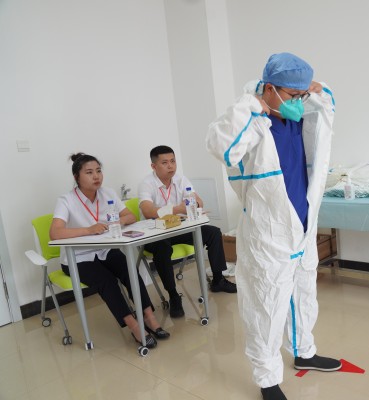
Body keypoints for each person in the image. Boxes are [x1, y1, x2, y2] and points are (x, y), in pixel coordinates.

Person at [207, 52, 340, 400]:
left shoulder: (297, 115)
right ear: (269, 89)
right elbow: (220, 145)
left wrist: (312, 89)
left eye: (301, 95)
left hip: (302, 223)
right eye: (292, 95)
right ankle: (267, 379)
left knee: (304, 291)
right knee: (267, 304)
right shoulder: (254, 123)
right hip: (268, 233)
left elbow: (327, 102)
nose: (298, 101)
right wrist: (251, 105)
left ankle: (304, 351)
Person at [49, 153, 170, 349]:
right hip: (77, 258)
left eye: (98, 171)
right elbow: (55, 233)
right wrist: (88, 230)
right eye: (89, 172)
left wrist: (117, 221)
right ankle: (134, 326)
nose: (96, 176)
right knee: (107, 281)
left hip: (105, 250)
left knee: (130, 270)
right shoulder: (66, 200)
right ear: (76, 177)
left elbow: (130, 216)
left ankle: (149, 317)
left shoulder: (108, 193)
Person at [138, 145, 237, 319]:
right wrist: (177, 209)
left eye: (173, 161)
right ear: (154, 166)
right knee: (162, 249)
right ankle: (173, 295)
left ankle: (218, 279)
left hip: (179, 228)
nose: (171, 166)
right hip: (156, 234)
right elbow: (147, 211)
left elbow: (198, 202)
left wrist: (194, 203)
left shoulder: (180, 179)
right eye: (165, 163)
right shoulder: (147, 183)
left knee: (213, 232)